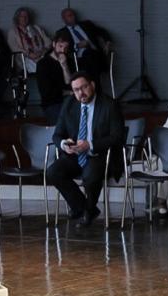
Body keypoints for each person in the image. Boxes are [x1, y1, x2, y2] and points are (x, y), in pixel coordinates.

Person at [45, 73, 126, 227]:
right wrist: (64, 144)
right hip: (75, 154)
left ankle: (86, 210)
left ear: (92, 85)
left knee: (90, 176)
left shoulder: (109, 104)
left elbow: (118, 137)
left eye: (84, 87)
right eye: (76, 90)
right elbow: (57, 135)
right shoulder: (69, 104)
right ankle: (84, 208)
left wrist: (90, 144)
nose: (81, 93)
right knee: (53, 172)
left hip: (100, 154)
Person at [53, 7, 112, 82]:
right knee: (88, 56)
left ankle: (93, 87)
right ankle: (94, 87)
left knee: (89, 55)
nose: (73, 17)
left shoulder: (86, 24)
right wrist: (76, 46)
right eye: (70, 16)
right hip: (78, 60)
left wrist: (107, 43)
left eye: (73, 15)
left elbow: (102, 31)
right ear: (64, 19)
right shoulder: (62, 32)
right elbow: (61, 49)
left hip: (96, 55)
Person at [8, 7, 51, 107]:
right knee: (44, 69)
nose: (25, 18)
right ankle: (46, 98)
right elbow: (14, 48)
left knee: (48, 66)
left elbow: (48, 41)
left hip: (41, 56)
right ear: (17, 18)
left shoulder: (36, 28)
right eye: (22, 16)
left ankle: (49, 97)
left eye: (26, 16)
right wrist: (28, 54)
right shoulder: (13, 31)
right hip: (25, 59)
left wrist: (43, 50)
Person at [37, 34, 76, 121]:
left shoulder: (69, 61)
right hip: (52, 104)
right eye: (60, 46)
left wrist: (64, 66)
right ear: (54, 44)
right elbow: (47, 92)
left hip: (69, 101)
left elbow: (71, 85)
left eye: (66, 48)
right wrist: (68, 92)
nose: (62, 50)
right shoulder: (43, 64)